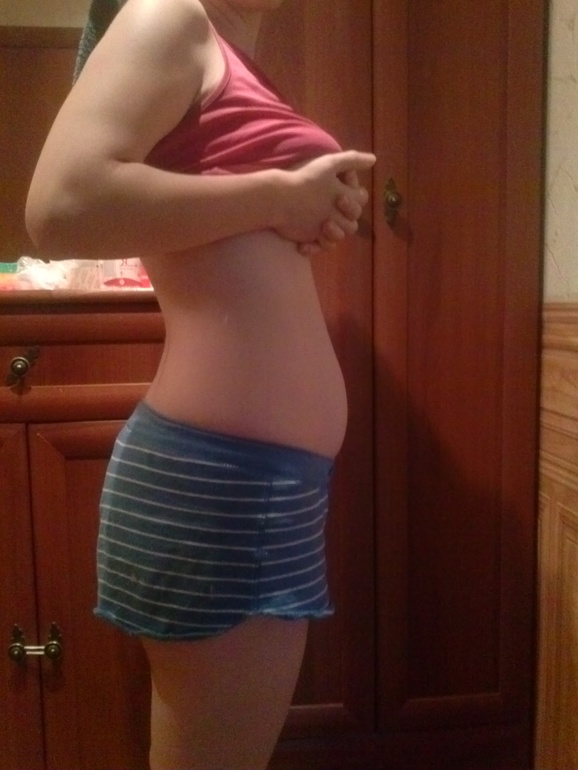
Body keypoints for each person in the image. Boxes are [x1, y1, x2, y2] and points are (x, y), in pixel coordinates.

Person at [26, 0, 375, 767]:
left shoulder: (230, 52)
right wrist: (281, 196)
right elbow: (60, 210)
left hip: (257, 483)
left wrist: (309, 206)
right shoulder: (169, 16)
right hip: (222, 483)